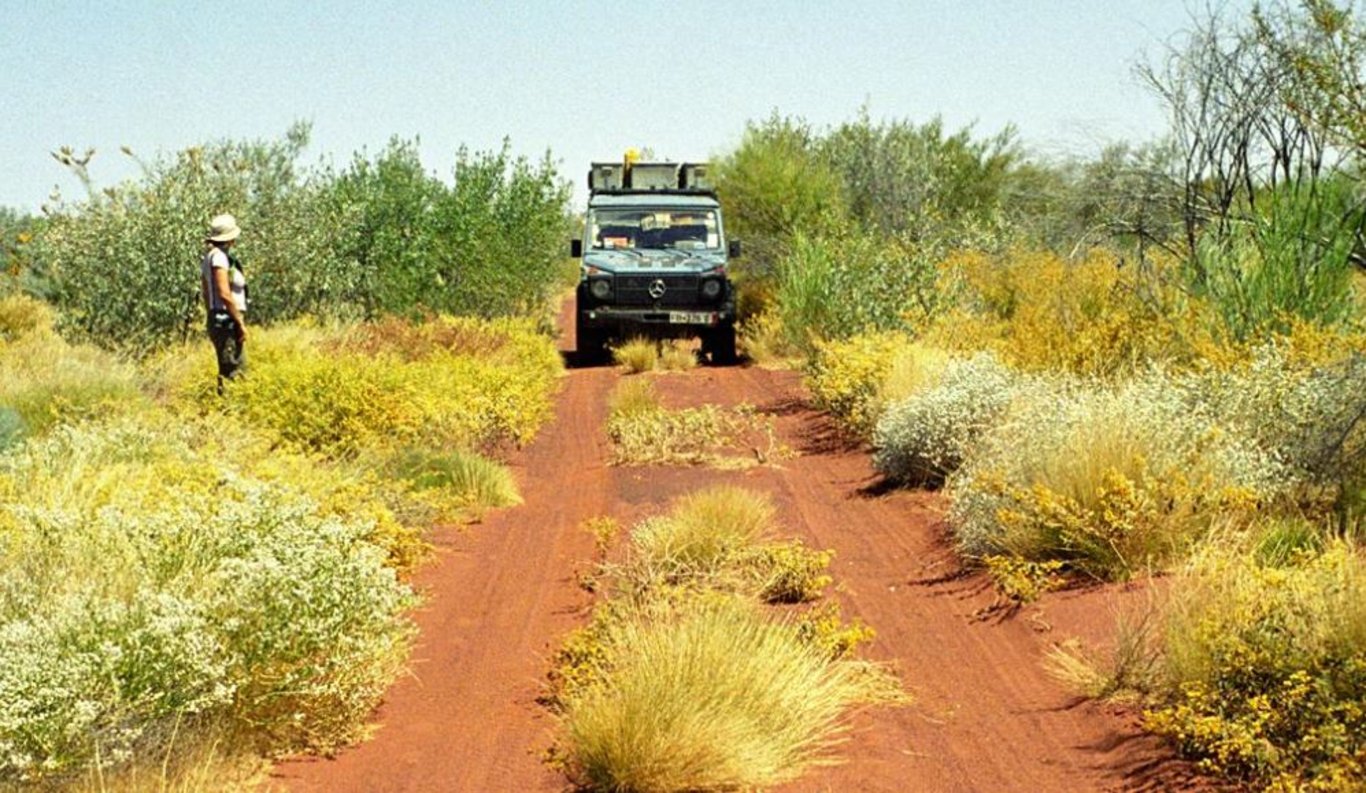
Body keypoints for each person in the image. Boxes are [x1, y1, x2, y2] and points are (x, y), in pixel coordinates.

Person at [201, 213, 247, 392]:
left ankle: (225, 403)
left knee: (228, 367)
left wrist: (211, 316)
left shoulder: (209, 257)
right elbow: (224, 294)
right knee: (234, 372)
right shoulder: (219, 257)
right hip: (226, 321)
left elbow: (206, 293)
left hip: (219, 318)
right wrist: (239, 322)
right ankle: (230, 406)